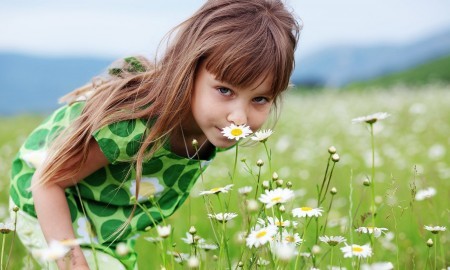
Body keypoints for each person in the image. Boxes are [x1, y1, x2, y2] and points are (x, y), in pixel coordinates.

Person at [9, 0, 300, 269]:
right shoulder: (133, 127)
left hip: (107, 222)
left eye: (260, 99)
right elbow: (47, 181)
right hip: (44, 198)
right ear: (189, 71)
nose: (240, 117)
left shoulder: (215, 129)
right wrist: (74, 264)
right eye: (225, 90)